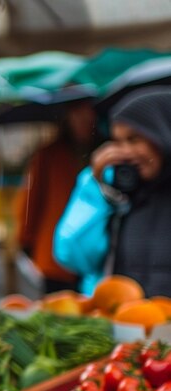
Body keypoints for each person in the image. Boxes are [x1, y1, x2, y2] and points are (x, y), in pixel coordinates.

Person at [55, 87, 171, 297]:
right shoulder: (117, 188)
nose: (124, 152)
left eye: (134, 139)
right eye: (117, 141)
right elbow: (73, 256)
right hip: (124, 323)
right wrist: (98, 189)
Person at [13, 99, 96, 294]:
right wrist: (25, 239)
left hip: (95, 254)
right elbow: (31, 201)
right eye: (77, 113)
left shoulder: (105, 152)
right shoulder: (48, 154)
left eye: (88, 112)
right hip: (54, 254)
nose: (83, 119)